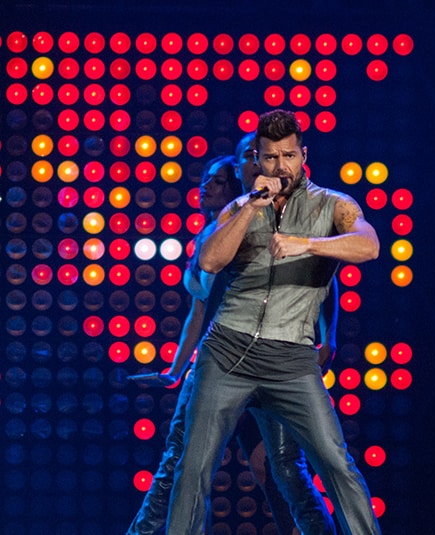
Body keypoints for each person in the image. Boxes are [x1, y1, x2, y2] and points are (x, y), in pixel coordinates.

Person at [167, 109, 382, 535]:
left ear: (303, 156)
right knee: (193, 465)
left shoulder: (332, 204)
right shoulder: (240, 206)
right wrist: (251, 206)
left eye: (288, 156)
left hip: (291, 359)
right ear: (257, 160)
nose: (280, 166)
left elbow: (369, 245)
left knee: (335, 464)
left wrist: (308, 244)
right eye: (269, 157)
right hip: (227, 352)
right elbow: (209, 260)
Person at [127, 150, 335, 534]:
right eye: (206, 179)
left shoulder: (259, 224)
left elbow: (320, 273)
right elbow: (198, 313)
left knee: (283, 468)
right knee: (184, 462)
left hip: (262, 359)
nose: (207, 186)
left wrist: (328, 337)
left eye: (218, 181)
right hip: (219, 360)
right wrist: (176, 370)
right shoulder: (209, 237)